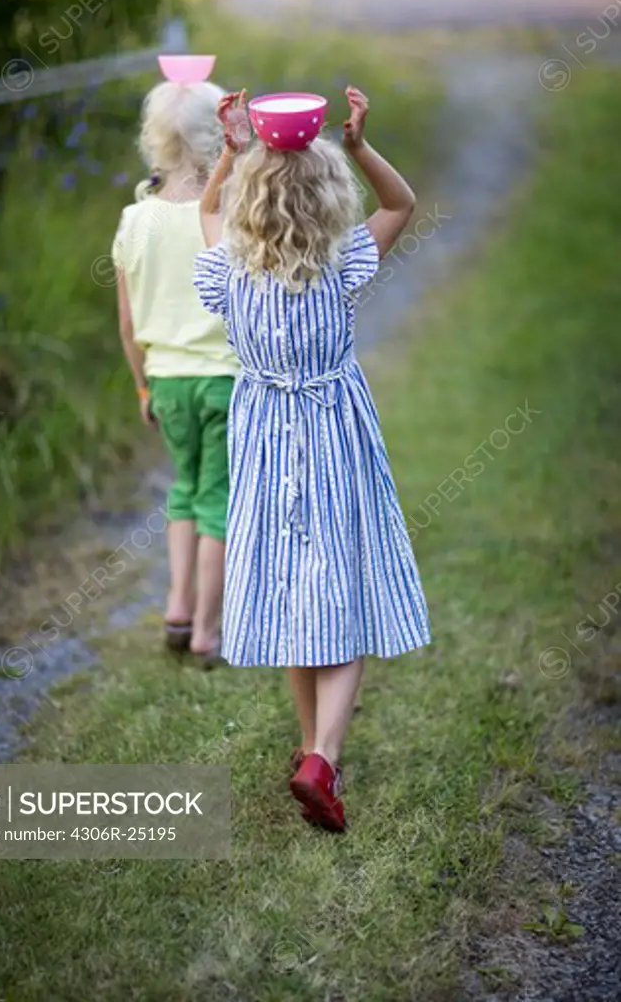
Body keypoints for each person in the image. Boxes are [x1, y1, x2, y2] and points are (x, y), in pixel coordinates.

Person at [192, 86, 431, 832]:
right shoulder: (340, 260)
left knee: (297, 592)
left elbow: (205, 214)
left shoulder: (230, 268)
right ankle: (320, 757)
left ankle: (312, 752)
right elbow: (401, 204)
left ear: (250, 197)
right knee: (345, 587)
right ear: (328, 193)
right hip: (334, 433)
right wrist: (359, 145)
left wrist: (229, 155)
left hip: (263, 437)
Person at [112, 75, 239, 662]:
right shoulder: (227, 218)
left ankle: (177, 605)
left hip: (165, 381)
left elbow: (128, 322)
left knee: (183, 492)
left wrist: (142, 384)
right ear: (221, 140)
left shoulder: (134, 221)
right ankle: (209, 633)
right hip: (224, 381)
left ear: (154, 141)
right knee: (217, 500)